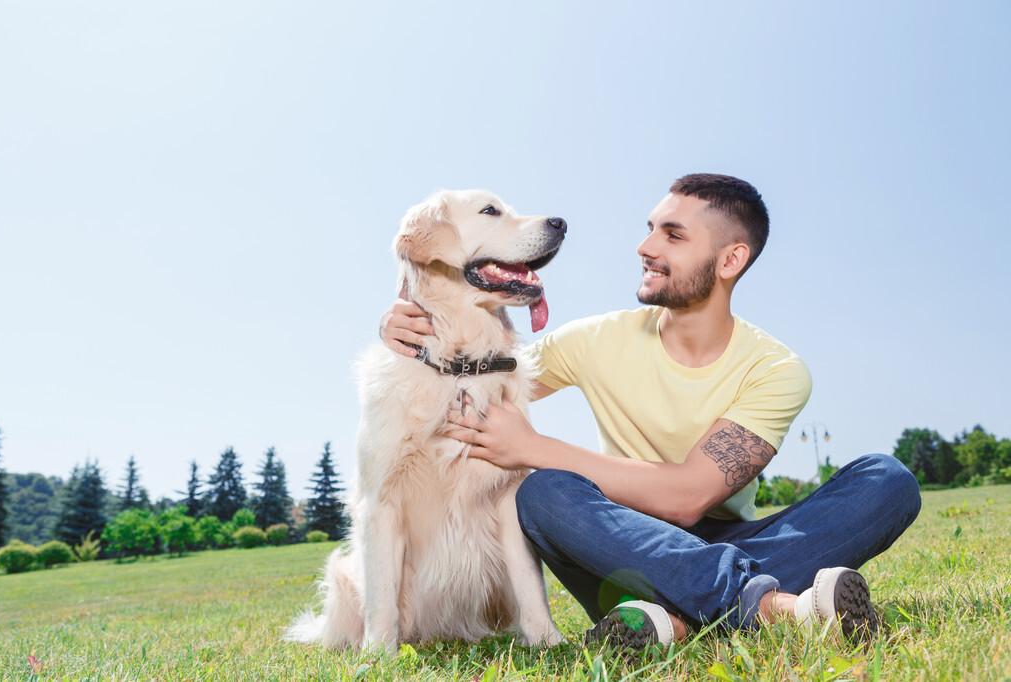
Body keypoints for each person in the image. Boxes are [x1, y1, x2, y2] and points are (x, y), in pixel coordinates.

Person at [379, 173, 921, 646]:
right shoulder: (594, 339)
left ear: (731, 259)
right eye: (650, 227)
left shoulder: (775, 369)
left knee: (887, 479)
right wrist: (408, 324)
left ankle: (669, 623)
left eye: (673, 235)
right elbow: (472, 367)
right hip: (616, 543)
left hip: (725, 539)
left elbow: (689, 498)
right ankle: (774, 607)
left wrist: (535, 447)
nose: (645, 246)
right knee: (544, 493)